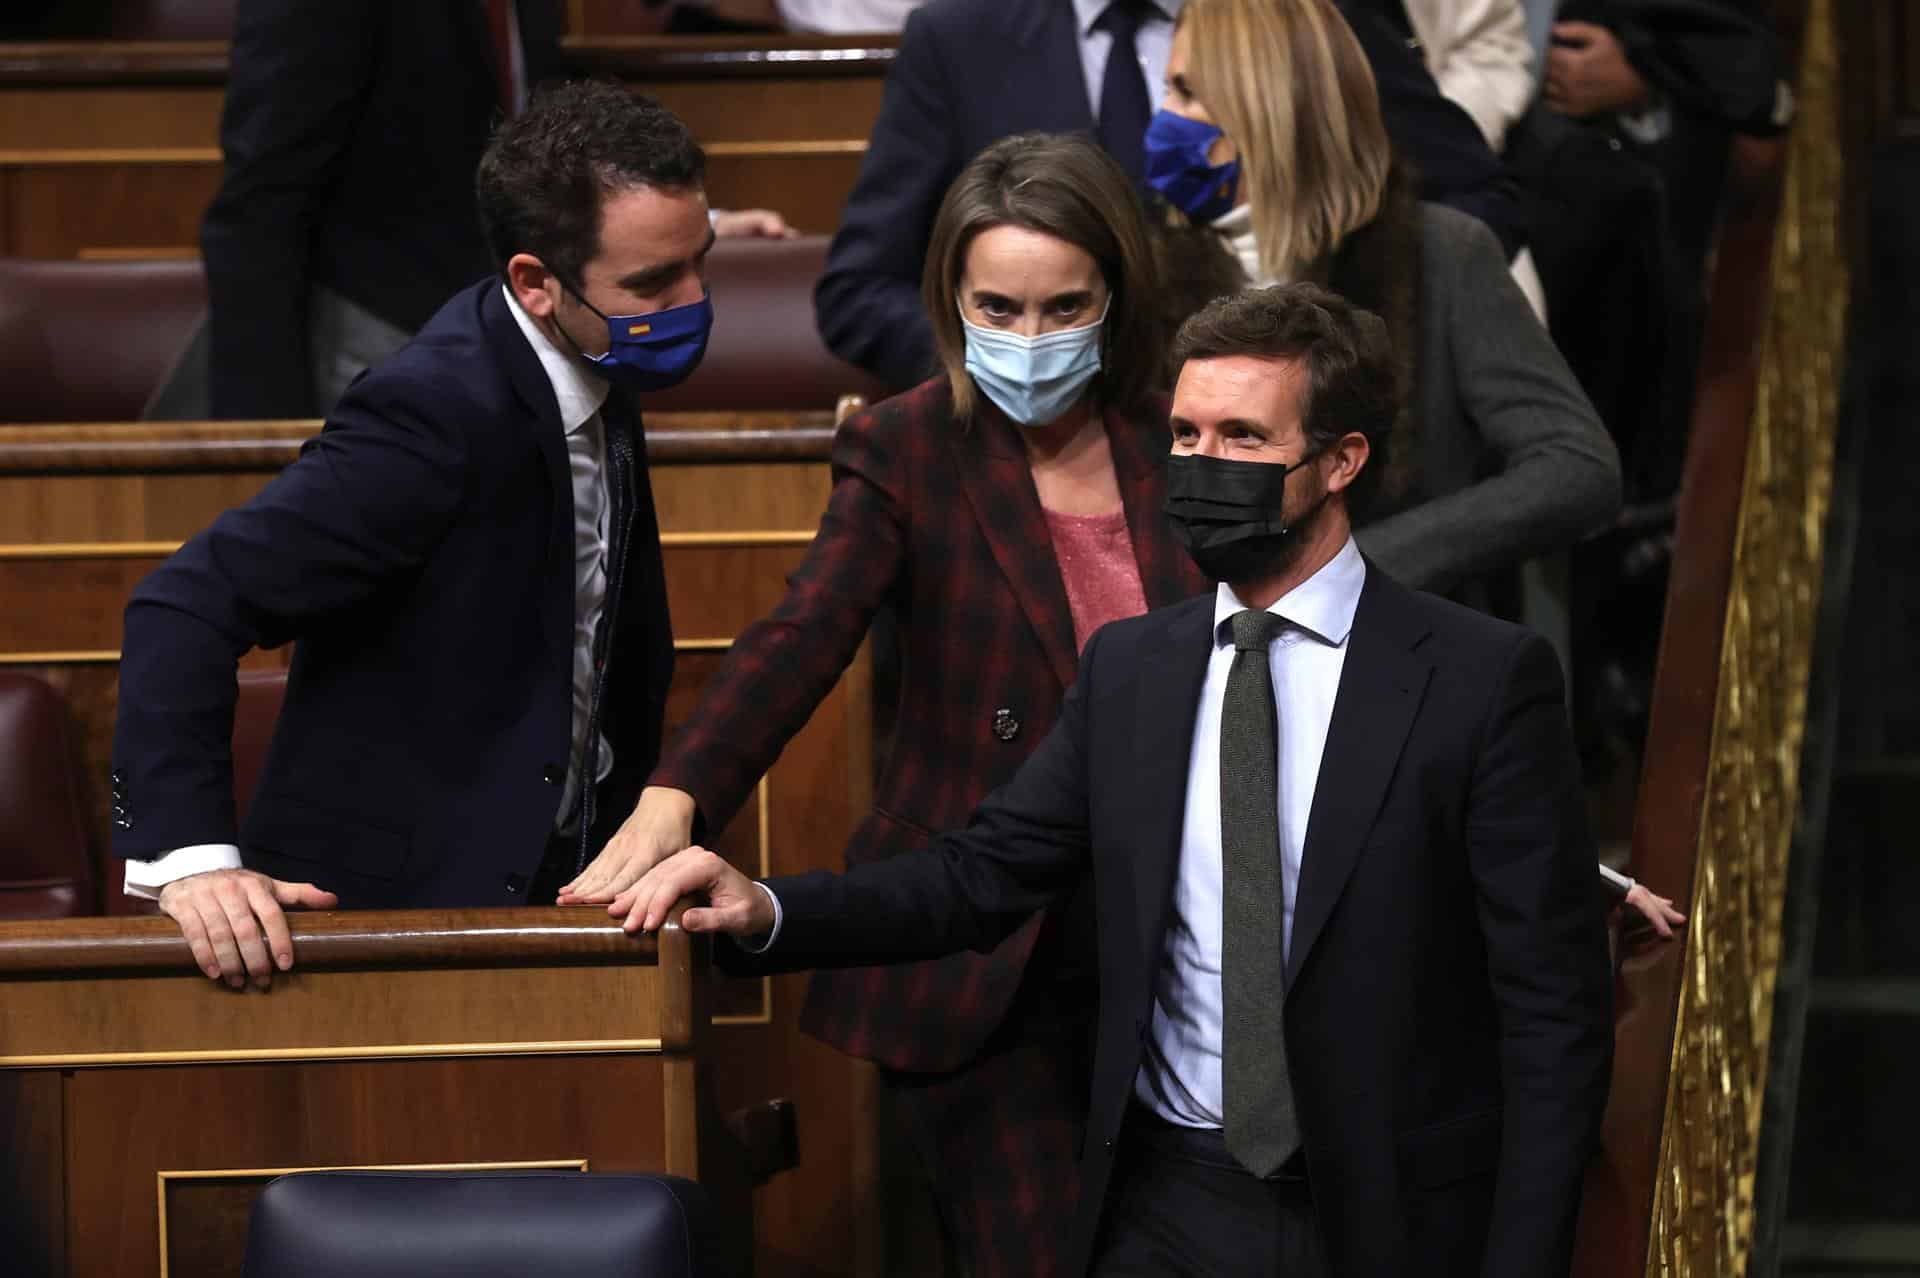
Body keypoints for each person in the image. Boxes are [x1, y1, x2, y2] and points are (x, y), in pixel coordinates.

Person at [619, 283, 1617, 1277]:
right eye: (1185, 434)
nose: (1200, 464)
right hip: (1169, 1201)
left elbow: (1551, 1019)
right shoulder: (1136, 669)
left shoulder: (1481, 679)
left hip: (1392, 1218)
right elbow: (980, 875)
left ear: (1340, 462)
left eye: (1241, 438)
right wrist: (766, 911)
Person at [561, 131, 1206, 1278]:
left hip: (1182, 938)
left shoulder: (1186, 440)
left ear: (1117, 297)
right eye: (998, 309)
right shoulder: (909, 443)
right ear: (952, 305)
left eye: (1066, 308)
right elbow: (799, 639)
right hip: (982, 949)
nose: (1031, 339)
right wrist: (675, 802)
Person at [111, 83, 713, 989]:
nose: (694, 301)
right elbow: (182, 605)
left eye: (699, 261)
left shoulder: (588, 349)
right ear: (535, 283)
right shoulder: (430, 418)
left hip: (556, 892)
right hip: (388, 924)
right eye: (653, 284)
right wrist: (192, 860)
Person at [815, 0, 1525, 391]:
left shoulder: (1295, 18)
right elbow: (861, 289)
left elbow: (1472, 198)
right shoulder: (959, 35)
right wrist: (1021, 366)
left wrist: (1350, 351)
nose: (1172, 110)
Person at [192, 0, 791, 422]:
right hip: (378, 337)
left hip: (510, 335)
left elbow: (544, 156)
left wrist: (680, 233)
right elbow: (262, 195)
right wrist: (255, 432)